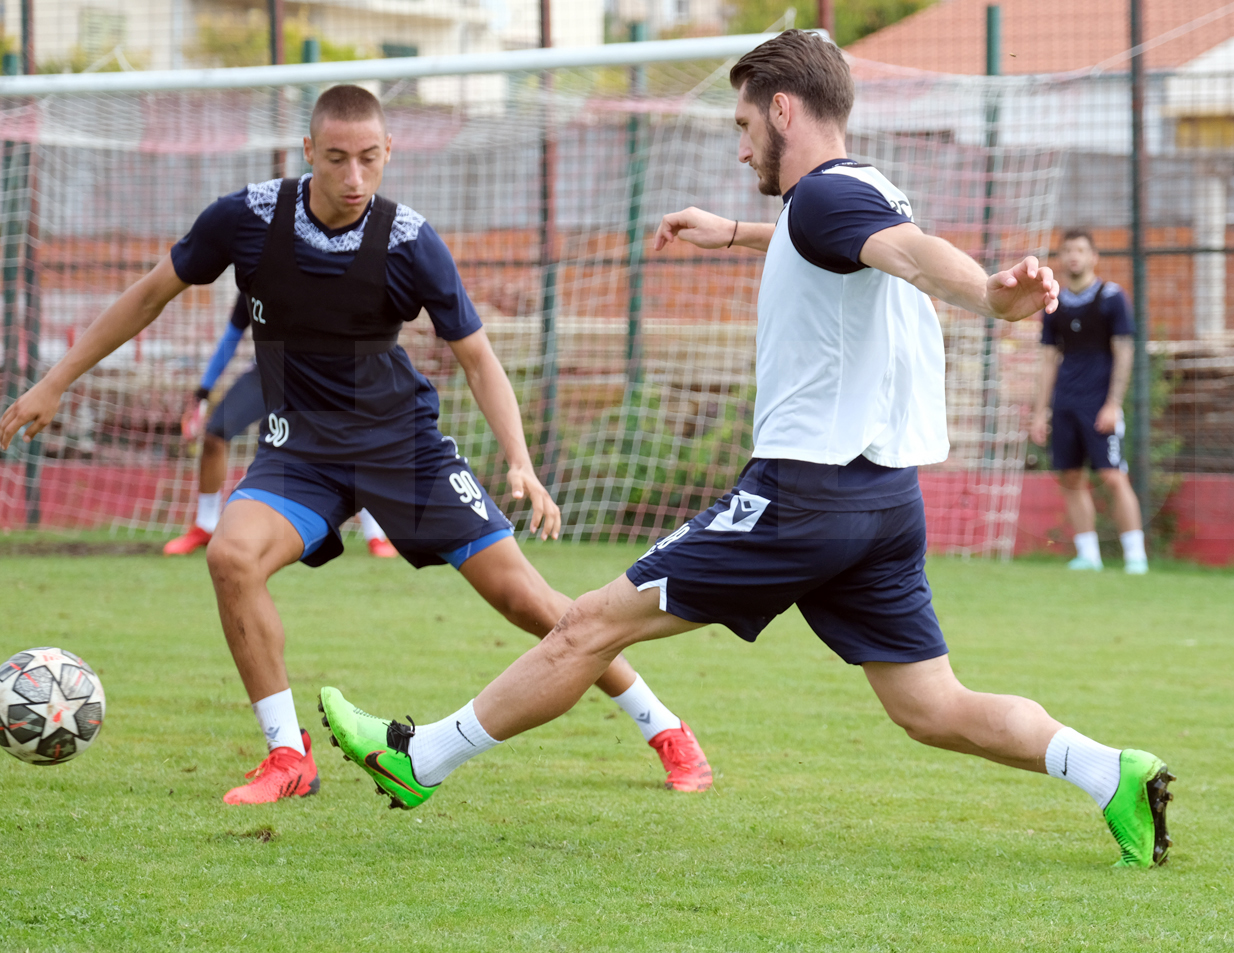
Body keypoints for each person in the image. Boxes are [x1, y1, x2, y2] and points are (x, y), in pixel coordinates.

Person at [318, 30, 1176, 867]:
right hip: (883, 503)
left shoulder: (831, 199)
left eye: (741, 126)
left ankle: (417, 757)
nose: (740, 147)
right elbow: (841, 243)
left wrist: (990, 294)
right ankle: (1113, 773)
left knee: (585, 626)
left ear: (783, 109)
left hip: (805, 498)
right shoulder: (857, 189)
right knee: (931, 706)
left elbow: (910, 255)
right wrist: (731, 231)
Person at [0, 85, 712, 804]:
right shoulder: (245, 218)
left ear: (388, 154)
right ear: (308, 152)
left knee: (527, 600)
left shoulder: (410, 240)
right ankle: (287, 758)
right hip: (299, 453)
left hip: (404, 451)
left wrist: (521, 463)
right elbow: (151, 293)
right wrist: (55, 382)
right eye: (336, 159)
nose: (353, 179)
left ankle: (665, 729)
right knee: (231, 555)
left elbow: (477, 357)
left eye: (369, 159)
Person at [166, 292, 399, 558]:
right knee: (214, 435)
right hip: (267, 373)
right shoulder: (252, 277)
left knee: (352, 441)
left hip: (315, 374)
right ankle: (205, 525)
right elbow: (232, 336)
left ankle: (375, 536)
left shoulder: (317, 275)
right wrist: (203, 390)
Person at [1028, 228, 1146, 574]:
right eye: (1067, 251)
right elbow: (1048, 359)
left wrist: (1113, 403)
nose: (1073, 256)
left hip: (1099, 404)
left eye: (1080, 250)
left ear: (1094, 257)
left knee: (1113, 476)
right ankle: (1088, 555)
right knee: (1071, 478)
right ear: (1061, 259)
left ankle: (1136, 557)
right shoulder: (1055, 304)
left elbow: (1123, 352)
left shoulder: (1112, 298)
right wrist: (1040, 413)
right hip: (1065, 403)